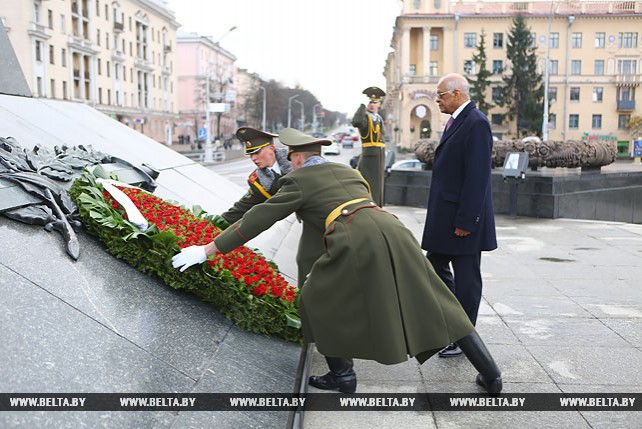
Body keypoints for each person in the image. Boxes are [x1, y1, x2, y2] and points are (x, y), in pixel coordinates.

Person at [172, 128, 502, 395]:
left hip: (354, 237)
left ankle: (343, 377)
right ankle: (492, 375)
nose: (292, 162)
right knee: (442, 304)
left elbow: (258, 218)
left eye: (292, 157)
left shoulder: (297, 180)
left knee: (314, 300)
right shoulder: (347, 171)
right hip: (394, 231)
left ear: (299, 158)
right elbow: (329, 216)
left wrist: (207, 249)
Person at [420, 73, 498, 358]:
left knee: (467, 281)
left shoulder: (476, 123)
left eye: (440, 94)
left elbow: (477, 178)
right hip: (449, 218)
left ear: (456, 93)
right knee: (433, 268)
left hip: (463, 223)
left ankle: (464, 338)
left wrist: (467, 221)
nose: (437, 99)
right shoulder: (457, 121)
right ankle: (453, 325)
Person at [211, 127, 292, 230]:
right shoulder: (257, 181)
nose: (253, 158)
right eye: (251, 154)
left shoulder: (295, 160)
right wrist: (215, 224)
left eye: (257, 152)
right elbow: (242, 207)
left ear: (271, 148)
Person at [351, 86, 386, 207]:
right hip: (370, 153)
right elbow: (356, 122)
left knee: (378, 183)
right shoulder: (365, 117)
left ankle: (377, 205)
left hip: (379, 153)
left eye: (375, 102)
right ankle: (369, 205)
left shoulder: (379, 118)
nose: (372, 105)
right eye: (370, 102)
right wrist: (361, 108)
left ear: (379, 104)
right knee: (369, 181)